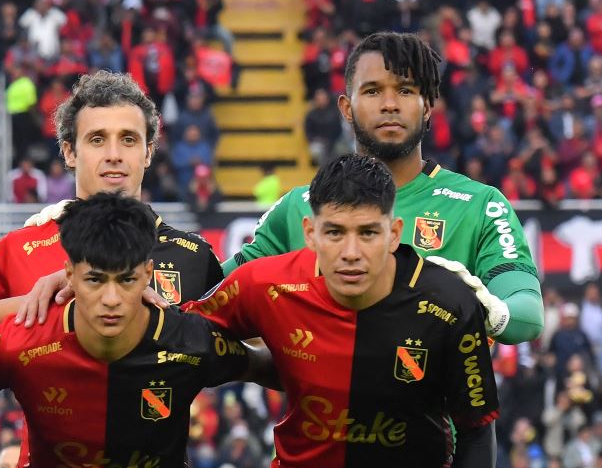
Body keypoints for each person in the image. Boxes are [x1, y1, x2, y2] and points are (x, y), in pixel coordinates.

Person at [188, 154, 499, 468]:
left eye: (368, 233)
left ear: (394, 233)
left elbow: (477, 431)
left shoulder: (449, 304)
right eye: (334, 233)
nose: (351, 252)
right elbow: (179, 335)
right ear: (310, 232)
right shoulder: (263, 285)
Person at [226, 32, 543, 343]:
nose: (390, 104)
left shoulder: (479, 205)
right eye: (373, 91)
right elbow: (217, 289)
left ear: (428, 107)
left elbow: (527, 314)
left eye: (405, 91)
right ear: (347, 108)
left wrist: (490, 311)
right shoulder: (299, 207)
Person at [0, 194, 257, 468]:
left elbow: (270, 366)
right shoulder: (21, 342)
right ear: (68, 276)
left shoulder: (190, 340)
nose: (111, 299)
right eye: (95, 280)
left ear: (148, 275)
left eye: (126, 280)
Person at [0, 70, 223, 312]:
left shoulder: (195, 259)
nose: (114, 154)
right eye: (97, 139)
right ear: (69, 152)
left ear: (148, 153)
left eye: (128, 139)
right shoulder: (13, 254)